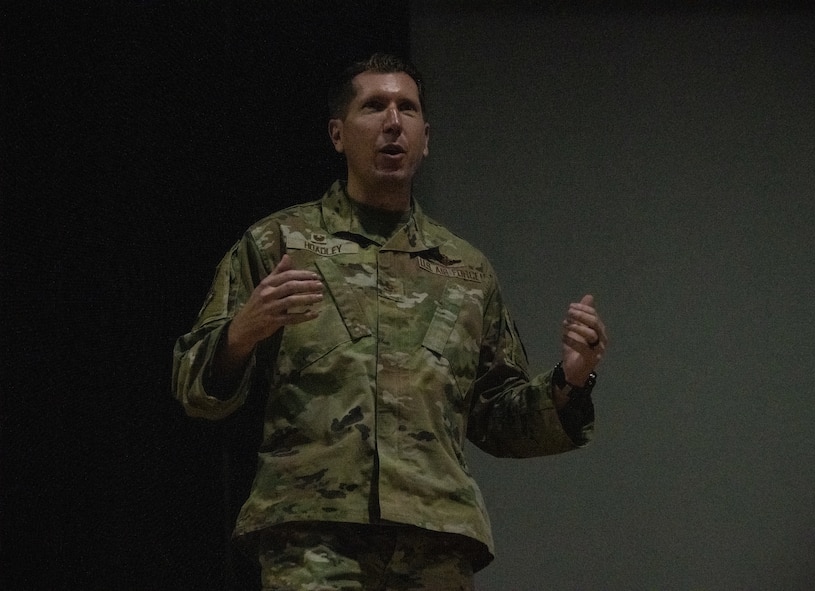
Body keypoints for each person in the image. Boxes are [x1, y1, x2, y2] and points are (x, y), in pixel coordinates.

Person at [172, 53, 608, 591]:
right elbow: (193, 385)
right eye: (374, 107)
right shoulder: (278, 244)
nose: (393, 122)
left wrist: (570, 379)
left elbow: (497, 417)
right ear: (337, 133)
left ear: (426, 138)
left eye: (408, 109)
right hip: (315, 536)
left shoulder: (465, 270)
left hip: (437, 537)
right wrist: (242, 333)